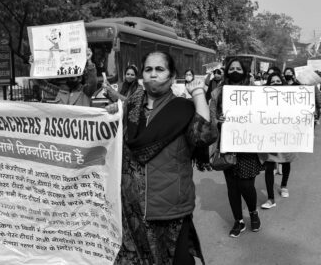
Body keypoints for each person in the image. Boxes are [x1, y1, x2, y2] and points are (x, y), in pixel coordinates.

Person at [111, 51, 217, 265]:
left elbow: (204, 136)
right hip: (132, 210)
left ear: (171, 75)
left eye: (160, 69)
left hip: (171, 209)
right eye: (148, 69)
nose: (153, 74)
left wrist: (197, 94)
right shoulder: (129, 110)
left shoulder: (183, 109)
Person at [210, 58, 261, 238]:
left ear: (245, 71)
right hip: (228, 145)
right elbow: (211, 118)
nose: (235, 71)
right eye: (231, 68)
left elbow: (266, 115)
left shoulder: (256, 91)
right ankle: (238, 221)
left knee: (246, 185)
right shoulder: (218, 93)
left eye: (239, 68)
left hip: (248, 146)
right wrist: (218, 121)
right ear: (226, 70)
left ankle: (253, 212)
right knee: (232, 187)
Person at [258, 72, 297, 209]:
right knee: (269, 166)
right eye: (272, 82)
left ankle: (284, 186)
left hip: (285, 135)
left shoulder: (290, 98)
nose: (275, 83)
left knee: (286, 161)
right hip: (269, 136)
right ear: (268, 84)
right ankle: (270, 199)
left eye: (278, 81)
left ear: (282, 83)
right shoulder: (261, 99)